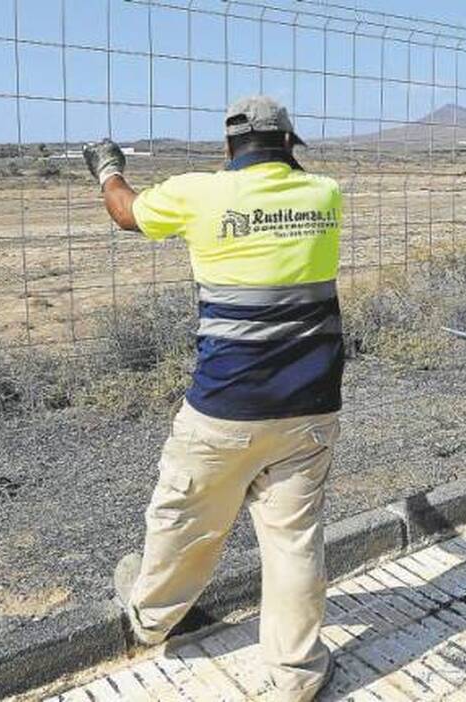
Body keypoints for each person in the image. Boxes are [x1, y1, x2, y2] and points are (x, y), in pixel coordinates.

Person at [83, 95, 343, 702]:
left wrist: (107, 167)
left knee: (184, 520)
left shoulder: (197, 193)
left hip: (226, 405)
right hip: (311, 403)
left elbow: (125, 214)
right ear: (289, 144)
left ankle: (151, 620)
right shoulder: (325, 194)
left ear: (229, 148)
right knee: (294, 539)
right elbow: (292, 180)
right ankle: (296, 677)